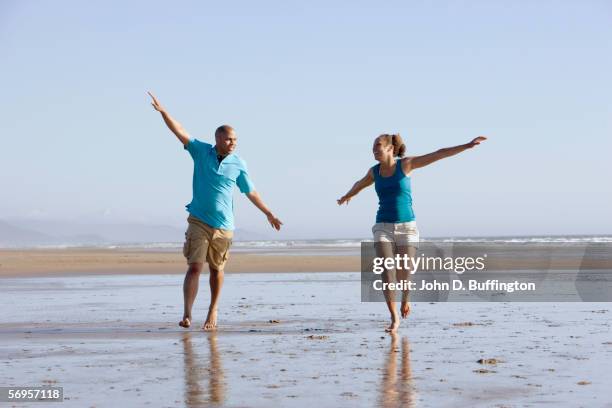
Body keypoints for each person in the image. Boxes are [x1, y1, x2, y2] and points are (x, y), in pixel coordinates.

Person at [148, 91, 282, 330]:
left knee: (216, 270)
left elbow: (251, 192)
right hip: (198, 220)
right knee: (194, 266)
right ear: (218, 138)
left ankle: (213, 310)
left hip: (224, 226)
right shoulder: (201, 151)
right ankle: (188, 313)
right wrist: (164, 113)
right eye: (229, 139)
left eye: (236, 140)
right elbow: (180, 132)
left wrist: (268, 213)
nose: (233, 143)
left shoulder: (238, 163)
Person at [338, 133, 486, 332]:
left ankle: (405, 300)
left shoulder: (406, 165)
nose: (374, 150)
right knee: (386, 272)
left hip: (407, 228)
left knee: (404, 274)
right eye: (373, 147)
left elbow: (439, 154)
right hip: (382, 226)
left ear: (390, 149)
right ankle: (394, 318)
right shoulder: (375, 172)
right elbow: (360, 183)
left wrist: (466, 146)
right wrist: (348, 195)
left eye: (378, 146)